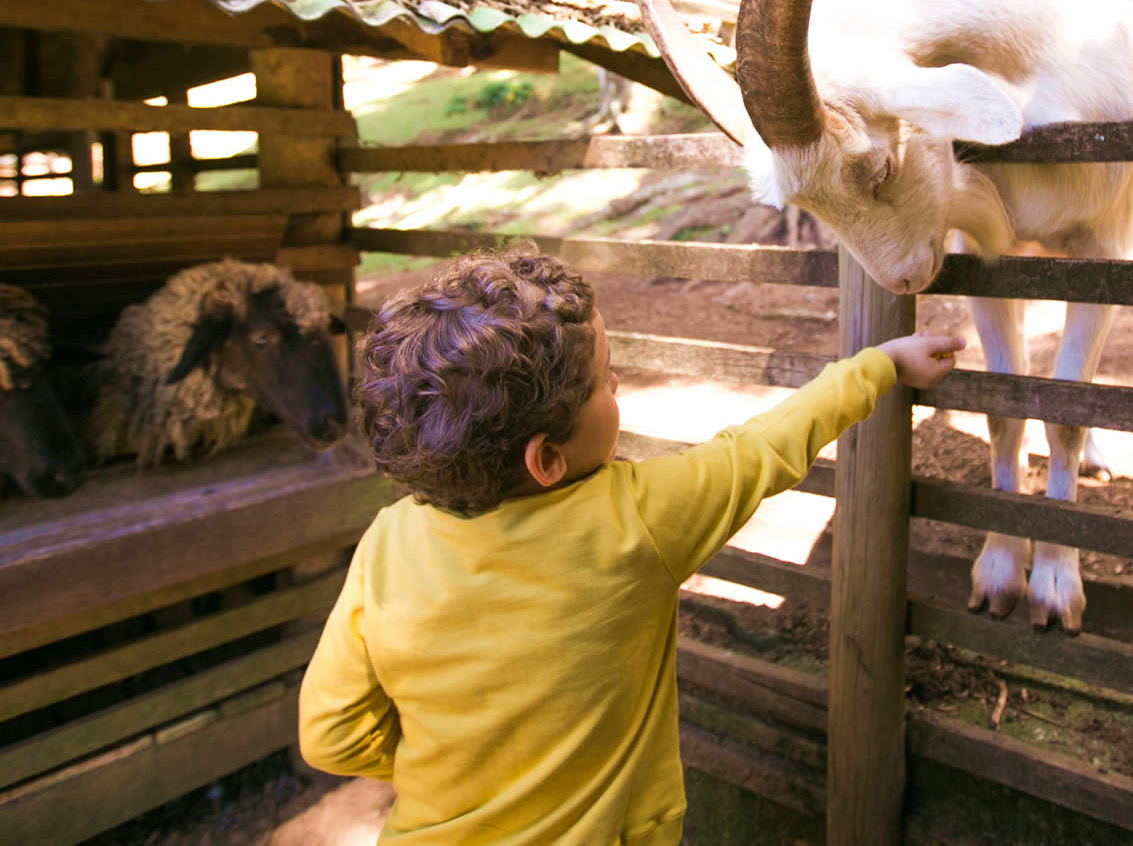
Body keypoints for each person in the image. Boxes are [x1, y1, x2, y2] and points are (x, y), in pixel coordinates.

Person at [298, 244, 961, 845]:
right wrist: (878, 365)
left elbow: (331, 733)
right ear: (547, 459)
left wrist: (445, 757)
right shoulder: (637, 520)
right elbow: (764, 449)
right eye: (605, 378)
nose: (616, 386)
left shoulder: (388, 542)